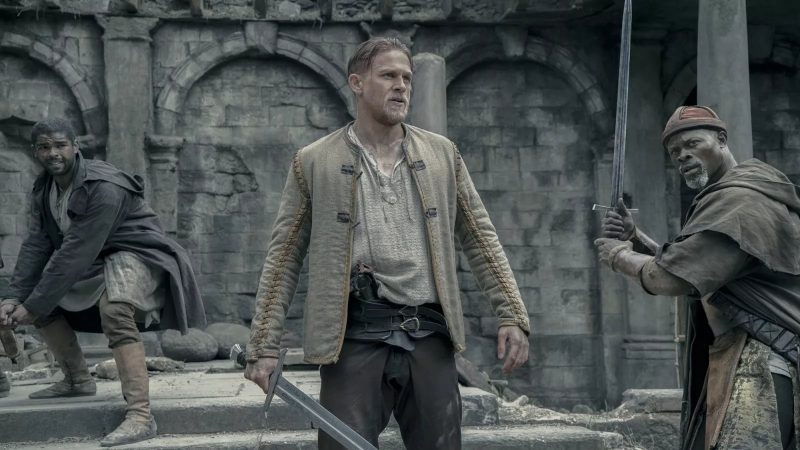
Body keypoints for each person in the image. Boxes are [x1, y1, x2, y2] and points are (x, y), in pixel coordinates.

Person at [244, 37, 530, 449]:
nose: (401, 86)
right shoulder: (314, 161)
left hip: (428, 334)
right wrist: (264, 345)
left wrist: (511, 314)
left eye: (407, 78)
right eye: (389, 76)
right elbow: (284, 256)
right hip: (354, 338)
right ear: (357, 83)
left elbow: (481, 238)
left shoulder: (442, 155)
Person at [595, 106, 800, 450]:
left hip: (763, 357)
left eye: (692, 144)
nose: (682, 156)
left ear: (721, 139)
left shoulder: (741, 202)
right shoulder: (734, 196)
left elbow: (673, 278)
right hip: (746, 352)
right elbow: (696, 265)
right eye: (674, 151)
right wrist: (636, 238)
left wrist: (619, 256)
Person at [0, 118, 206, 447]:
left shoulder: (103, 186)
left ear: (75, 147)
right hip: (92, 258)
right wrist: (13, 297)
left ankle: (140, 415)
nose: (53, 153)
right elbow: (37, 243)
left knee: (115, 310)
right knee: (40, 302)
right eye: (44, 147)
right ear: (35, 151)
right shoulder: (44, 187)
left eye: (60, 145)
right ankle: (77, 380)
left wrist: (32, 305)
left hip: (137, 252)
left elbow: (75, 253)